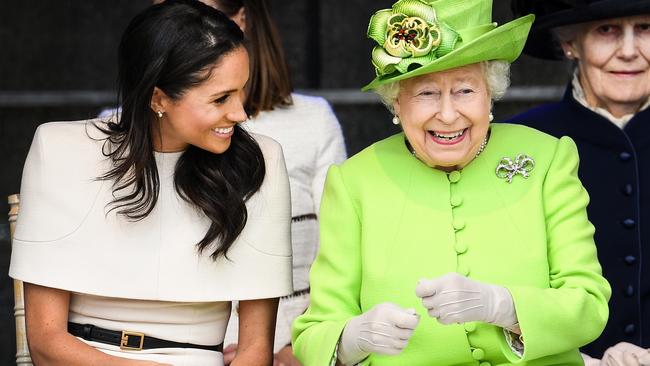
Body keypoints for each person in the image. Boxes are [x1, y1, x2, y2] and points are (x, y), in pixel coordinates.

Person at [292, 0, 611, 364]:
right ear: (396, 103)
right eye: (426, 93)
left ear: (490, 93)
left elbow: (589, 304)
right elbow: (314, 332)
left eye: (465, 90)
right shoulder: (354, 182)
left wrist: (504, 307)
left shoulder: (547, 159)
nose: (447, 114)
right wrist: (352, 339)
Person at [9, 1, 292, 365]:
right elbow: (46, 343)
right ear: (158, 98)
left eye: (241, 91)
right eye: (221, 98)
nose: (240, 113)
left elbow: (255, 350)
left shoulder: (259, 161)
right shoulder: (59, 150)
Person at [182, 1, 347, 365]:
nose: (180, 31)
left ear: (240, 19)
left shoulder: (313, 121)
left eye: (198, 14)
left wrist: (300, 349)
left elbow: (341, 257)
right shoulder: (124, 131)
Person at [508, 0, 650, 364]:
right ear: (570, 43)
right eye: (608, 31)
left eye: (646, 29)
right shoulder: (521, 142)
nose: (630, 52)